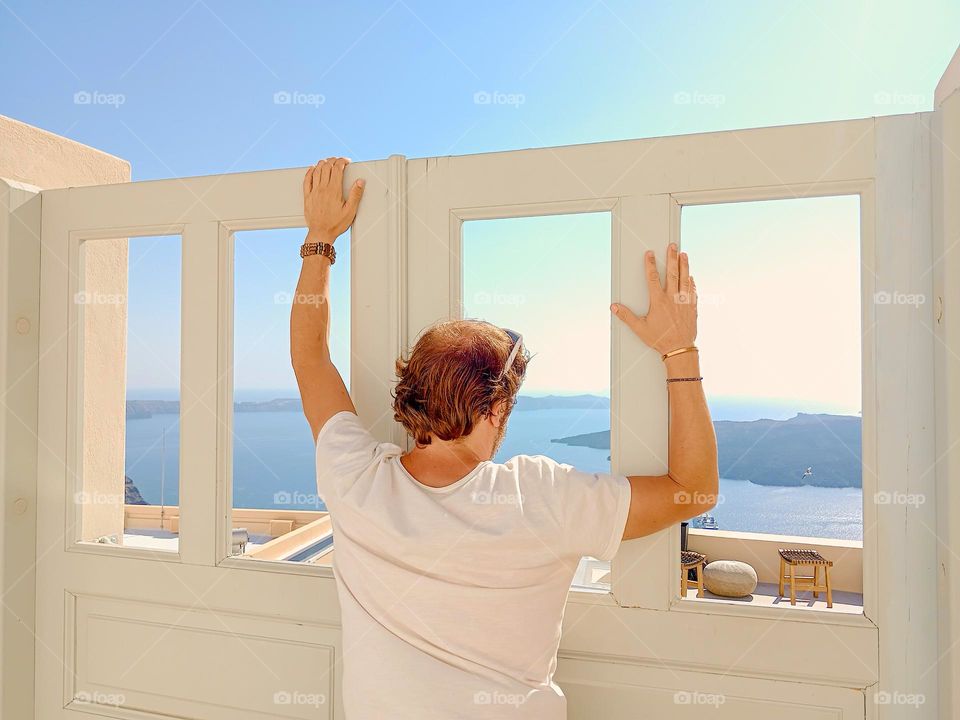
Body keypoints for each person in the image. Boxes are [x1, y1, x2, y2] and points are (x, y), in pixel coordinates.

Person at [291, 157, 719, 719]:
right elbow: (695, 489)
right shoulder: (540, 497)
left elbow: (310, 357)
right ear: (495, 407)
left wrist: (320, 238)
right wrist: (678, 351)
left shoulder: (354, 477)